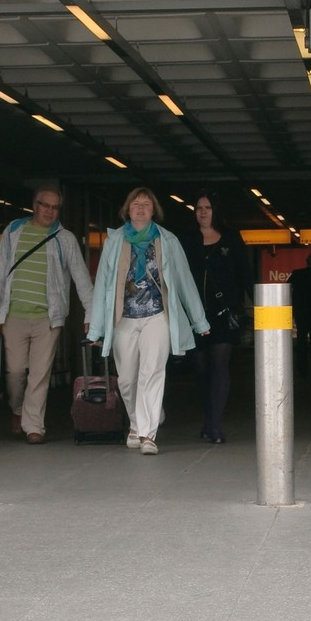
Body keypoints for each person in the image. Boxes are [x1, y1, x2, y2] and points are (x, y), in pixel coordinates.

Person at [87, 187, 209, 454]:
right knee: (126, 380)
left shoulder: (168, 240)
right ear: (127, 210)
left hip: (157, 315)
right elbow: (103, 286)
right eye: (136, 204)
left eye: (146, 204)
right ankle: (136, 423)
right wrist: (95, 328)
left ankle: (147, 435)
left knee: (151, 373)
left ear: (154, 211)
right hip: (124, 319)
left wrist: (199, 321)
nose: (141, 208)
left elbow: (184, 279)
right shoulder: (114, 241)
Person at [0, 186, 95, 443]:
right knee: (15, 372)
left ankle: (34, 425)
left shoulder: (65, 239)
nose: (49, 211)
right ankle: (17, 409)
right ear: (34, 205)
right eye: (45, 205)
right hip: (13, 314)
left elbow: (82, 278)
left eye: (55, 207)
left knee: (39, 373)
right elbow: (0, 271)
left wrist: (92, 314)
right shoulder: (14, 231)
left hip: (48, 317)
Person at [180, 192, 252, 443]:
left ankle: (215, 425)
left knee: (220, 365)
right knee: (201, 369)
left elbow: (245, 273)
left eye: (208, 207)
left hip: (224, 312)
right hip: (195, 313)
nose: (202, 212)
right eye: (199, 207)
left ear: (216, 211)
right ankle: (208, 417)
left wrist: (260, 303)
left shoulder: (231, 238)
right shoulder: (187, 239)